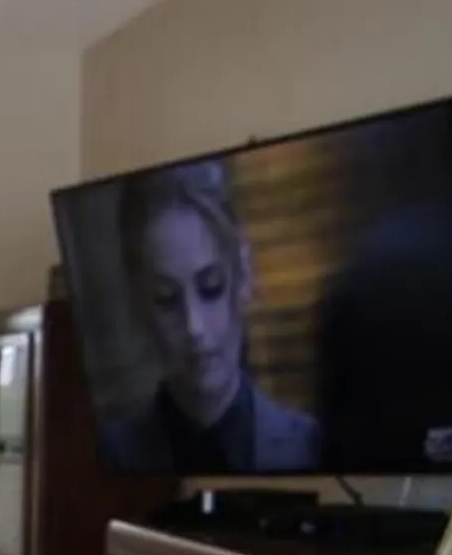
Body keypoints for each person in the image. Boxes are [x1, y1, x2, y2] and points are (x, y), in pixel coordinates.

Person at [109, 160, 323, 474]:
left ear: (244, 275)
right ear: (139, 304)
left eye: (211, 288)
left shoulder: (312, 447)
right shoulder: (114, 454)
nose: (194, 327)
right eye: (166, 299)